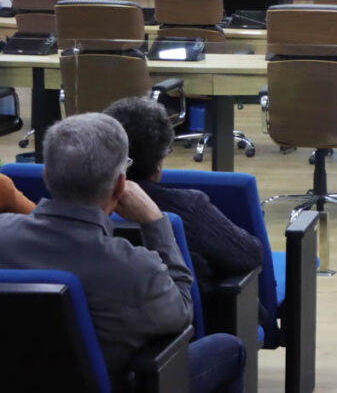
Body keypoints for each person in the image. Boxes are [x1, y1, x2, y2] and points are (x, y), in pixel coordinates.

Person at [0, 113, 245, 393]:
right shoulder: (134, 268)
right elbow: (182, 314)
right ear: (120, 186)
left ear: (46, 175)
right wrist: (156, 222)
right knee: (229, 348)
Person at [104, 97, 263, 306]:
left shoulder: (77, 204)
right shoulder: (188, 207)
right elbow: (249, 256)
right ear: (160, 161)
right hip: (194, 320)